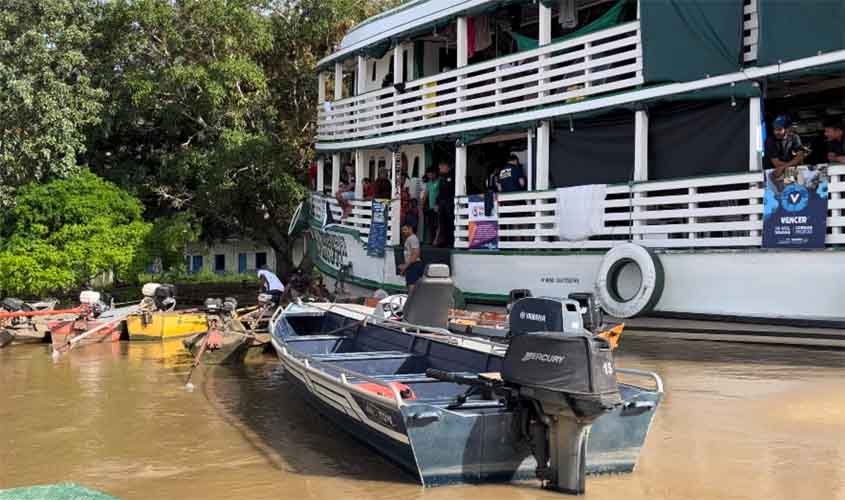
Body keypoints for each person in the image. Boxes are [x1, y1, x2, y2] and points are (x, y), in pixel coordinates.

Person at [764, 115, 807, 193]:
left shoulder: (794, 137)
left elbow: (800, 157)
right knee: (779, 195)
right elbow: (776, 163)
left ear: (787, 129)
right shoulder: (770, 140)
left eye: (779, 129)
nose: (776, 132)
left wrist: (784, 167)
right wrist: (791, 164)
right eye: (774, 129)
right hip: (773, 173)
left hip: (788, 171)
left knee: (792, 192)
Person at [398, 223, 425, 291]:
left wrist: (405, 266)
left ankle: (412, 298)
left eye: (405, 229)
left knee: (412, 287)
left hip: (414, 265)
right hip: (411, 265)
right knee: (410, 285)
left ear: (410, 229)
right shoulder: (409, 239)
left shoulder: (413, 238)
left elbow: (415, 254)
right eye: (402, 230)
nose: (403, 232)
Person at [435, 160, 455, 248]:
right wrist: (437, 203)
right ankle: (443, 241)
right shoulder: (441, 178)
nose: (440, 168)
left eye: (442, 166)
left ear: (447, 166)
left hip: (449, 203)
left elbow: (451, 190)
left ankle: (451, 241)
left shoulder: (453, 176)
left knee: (450, 222)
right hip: (442, 203)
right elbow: (440, 192)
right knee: (442, 223)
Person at [421, 168, 439, 244]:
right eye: (428, 175)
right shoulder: (429, 183)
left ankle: (437, 240)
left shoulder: (439, 181)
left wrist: (438, 204)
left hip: (438, 206)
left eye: (430, 174)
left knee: (438, 224)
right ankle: (431, 240)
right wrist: (422, 205)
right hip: (431, 207)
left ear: (434, 173)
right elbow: (426, 194)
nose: (429, 176)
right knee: (431, 224)